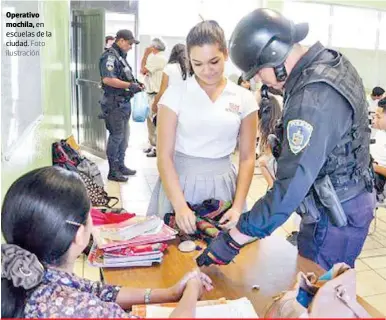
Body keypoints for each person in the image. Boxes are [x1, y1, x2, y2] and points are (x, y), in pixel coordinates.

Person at [197, 8, 375, 270]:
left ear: (275, 55)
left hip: (335, 214)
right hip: (347, 199)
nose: (258, 79)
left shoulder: (312, 98)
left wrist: (233, 240)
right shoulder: (329, 62)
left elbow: (291, 186)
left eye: (257, 71)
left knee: (315, 295)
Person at [1, 166, 214, 318]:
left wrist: (170, 293)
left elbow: (100, 292)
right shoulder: (72, 307)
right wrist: (192, 291)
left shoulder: (29, 272)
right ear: (79, 234)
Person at [147, 20, 258, 234]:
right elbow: (164, 157)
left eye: (214, 61)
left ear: (225, 54)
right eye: (197, 64)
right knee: (177, 255)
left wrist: (237, 206)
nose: (206, 71)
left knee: (223, 256)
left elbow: (247, 158)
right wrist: (179, 206)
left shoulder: (243, 98)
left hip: (224, 185)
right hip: (179, 184)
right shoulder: (175, 94)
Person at [99, 29, 142, 182]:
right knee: (116, 136)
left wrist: (135, 84)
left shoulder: (121, 57)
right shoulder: (110, 56)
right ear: (121, 40)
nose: (131, 46)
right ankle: (113, 170)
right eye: (130, 43)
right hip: (113, 103)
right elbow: (108, 79)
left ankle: (120, 165)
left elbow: (124, 76)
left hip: (123, 102)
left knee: (124, 137)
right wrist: (130, 86)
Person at [141, 38, 168, 158]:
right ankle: (153, 145)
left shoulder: (158, 58)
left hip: (155, 94)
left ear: (154, 47)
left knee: (156, 122)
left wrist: (146, 54)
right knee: (151, 122)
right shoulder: (158, 58)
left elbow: (142, 70)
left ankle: (157, 147)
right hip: (152, 92)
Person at [151, 43, 190, 114]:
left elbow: (162, 91)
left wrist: (154, 104)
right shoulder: (190, 69)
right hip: (185, 104)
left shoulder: (169, 68)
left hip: (170, 105)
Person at [371, 98, 386, 199]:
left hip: (377, 175)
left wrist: (374, 167)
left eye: (378, 117)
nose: (374, 119)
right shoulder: (381, 132)